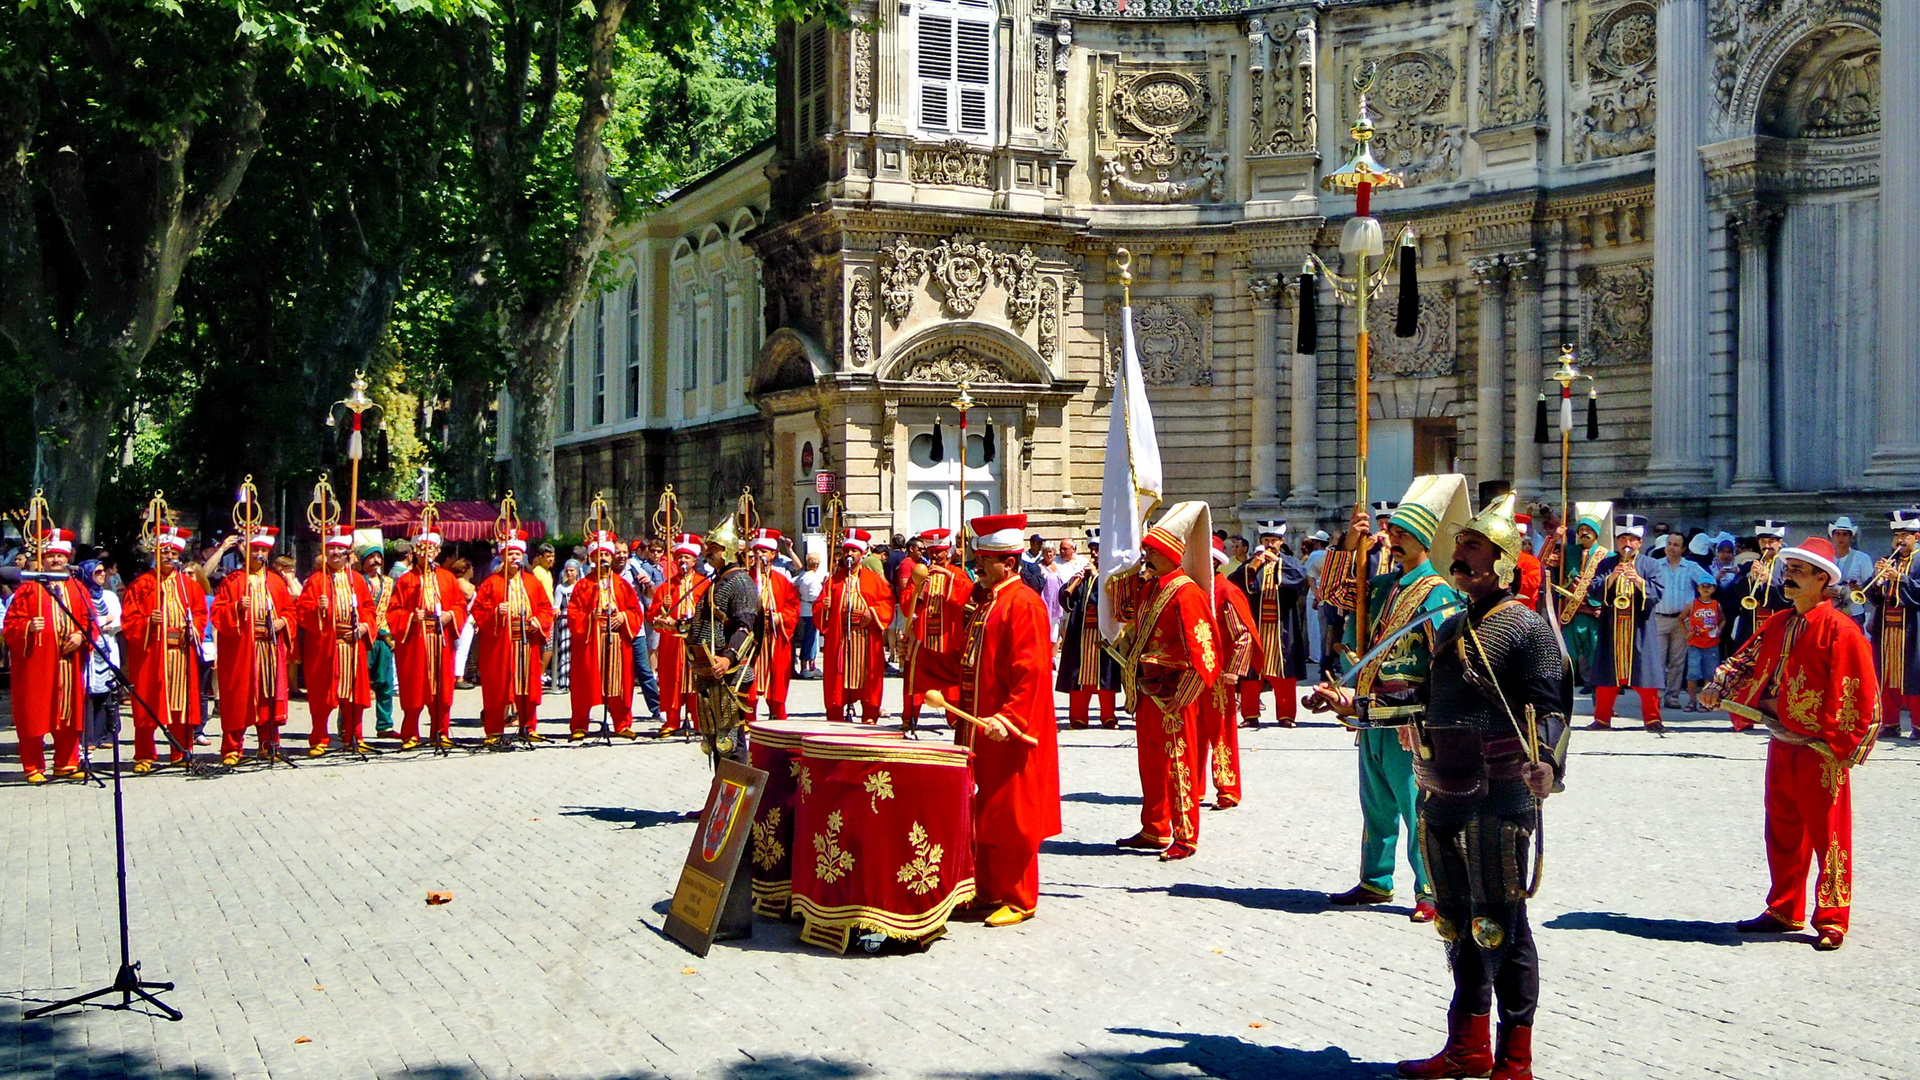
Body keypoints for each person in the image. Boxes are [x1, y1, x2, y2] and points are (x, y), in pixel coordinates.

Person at [1392, 494, 1571, 1080]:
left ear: (1503, 562)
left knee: (1503, 925)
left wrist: (1547, 764)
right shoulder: (1453, 624)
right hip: (1442, 788)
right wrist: (1360, 706)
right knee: (1455, 921)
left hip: (1500, 792)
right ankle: (1468, 1047)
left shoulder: (1525, 627)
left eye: (1473, 547)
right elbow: (1427, 699)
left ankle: (1513, 1060)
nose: (1460, 555)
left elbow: (1551, 707)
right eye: (1461, 545)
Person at [1701, 535, 1879, 951]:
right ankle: (1784, 907)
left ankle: (1832, 917)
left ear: (1823, 579)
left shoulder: (1842, 630)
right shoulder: (1778, 622)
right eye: (1787, 571)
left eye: (1798, 572)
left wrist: (1838, 744)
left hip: (1819, 750)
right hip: (1780, 742)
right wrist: (1717, 684)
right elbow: (1742, 660)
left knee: (1828, 835)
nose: (1788, 578)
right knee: (1782, 830)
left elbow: (1859, 693)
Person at [1309, 476, 1468, 921]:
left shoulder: (1439, 593)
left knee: (1415, 806)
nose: (1393, 542)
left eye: (1403, 536)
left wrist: (1433, 719)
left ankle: (1432, 890)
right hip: (1368, 712)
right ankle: (1375, 880)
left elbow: (1447, 663)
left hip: (1408, 717)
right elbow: (1334, 594)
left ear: (1422, 540)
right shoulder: (1381, 586)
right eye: (1391, 534)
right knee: (1376, 803)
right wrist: (1349, 543)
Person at [915, 512, 1061, 927]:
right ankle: (984, 889)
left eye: (984, 560)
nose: (976, 566)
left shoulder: (1024, 605)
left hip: (1009, 732)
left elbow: (1030, 672)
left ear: (1009, 564)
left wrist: (1009, 718)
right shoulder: (988, 603)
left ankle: (1019, 897)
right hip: (978, 728)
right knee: (983, 811)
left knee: (1013, 814)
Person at [1112, 501, 1219, 861]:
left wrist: (1185, 695)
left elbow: (1205, 649)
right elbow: (1124, 617)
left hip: (1173, 694)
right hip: (1147, 691)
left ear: (1171, 554)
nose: (1146, 558)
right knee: (1151, 766)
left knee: (1178, 765)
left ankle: (1185, 835)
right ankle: (1154, 827)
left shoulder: (1186, 592)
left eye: (1151, 552)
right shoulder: (1150, 588)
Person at [4, 528, 97, 782]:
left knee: (68, 714)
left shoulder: (77, 588)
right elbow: (10, 626)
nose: (57, 560)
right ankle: (33, 766)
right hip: (37, 663)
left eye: (61, 556)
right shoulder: (28, 590)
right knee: (34, 714)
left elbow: (90, 621)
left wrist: (80, 636)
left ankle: (66, 763)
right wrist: (27, 628)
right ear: (42, 558)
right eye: (51, 555)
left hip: (68, 663)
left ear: (68, 558)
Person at [121, 525, 207, 772]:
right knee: (148, 702)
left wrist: (195, 629)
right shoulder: (141, 585)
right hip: (152, 653)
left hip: (181, 653)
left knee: (182, 702)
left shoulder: (188, 585)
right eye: (164, 552)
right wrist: (149, 622)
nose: (169, 557)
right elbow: (129, 619)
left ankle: (180, 751)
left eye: (173, 552)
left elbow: (201, 613)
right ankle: (145, 754)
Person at [212, 526, 297, 765]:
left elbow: (290, 612)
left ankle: (269, 745)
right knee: (239, 698)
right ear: (246, 551)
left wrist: (282, 622)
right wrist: (236, 607)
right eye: (255, 549)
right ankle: (231, 748)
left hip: (270, 649)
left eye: (263, 550)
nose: (259, 553)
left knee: (268, 696)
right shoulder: (232, 581)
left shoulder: (276, 581)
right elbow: (217, 613)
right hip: (242, 650)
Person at [297, 526, 376, 756]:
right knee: (323, 695)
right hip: (326, 646)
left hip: (353, 646)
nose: (335, 553)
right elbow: (301, 611)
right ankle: (319, 738)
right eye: (331, 548)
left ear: (348, 553)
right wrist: (316, 608)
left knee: (355, 694)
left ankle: (354, 736)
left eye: (340, 549)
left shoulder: (358, 580)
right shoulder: (315, 580)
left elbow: (368, 609)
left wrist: (363, 627)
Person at [471, 530, 555, 743]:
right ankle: (494, 730)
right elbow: (478, 610)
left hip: (526, 643)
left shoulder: (532, 581)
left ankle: (528, 726)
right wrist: (495, 612)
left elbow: (546, 608)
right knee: (498, 687)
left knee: (528, 687)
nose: (514, 558)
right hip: (501, 644)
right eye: (509, 554)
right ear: (502, 556)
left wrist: (538, 621)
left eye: (517, 554)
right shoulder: (491, 583)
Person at [684, 528, 760, 763]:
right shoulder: (718, 581)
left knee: (730, 740)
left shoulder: (740, 582)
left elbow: (745, 627)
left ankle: (739, 795)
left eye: (714, 549)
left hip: (730, 672)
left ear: (727, 552)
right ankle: (724, 794)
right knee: (716, 739)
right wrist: (675, 626)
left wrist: (728, 657)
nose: (708, 553)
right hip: (710, 670)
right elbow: (707, 623)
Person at [388, 529, 469, 749]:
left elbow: (460, 606)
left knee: (441, 689)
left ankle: (440, 731)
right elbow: (393, 611)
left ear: (437, 551)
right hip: (415, 642)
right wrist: (411, 617)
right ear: (415, 552)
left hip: (441, 642)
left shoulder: (447, 578)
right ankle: (410, 733)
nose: (427, 554)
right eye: (422, 550)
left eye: (431, 549)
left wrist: (449, 615)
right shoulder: (406, 580)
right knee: (414, 687)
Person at [1587, 515, 1666, 733]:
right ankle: (1601, 719)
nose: (1627, 544)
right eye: (1623, 539)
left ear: (1640, 542)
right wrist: (1612, 578)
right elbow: (1593, 588)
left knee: (1645, 673)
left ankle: (1653, 720)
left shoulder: (1650, 564)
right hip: (1612, 626)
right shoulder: (1607, 563)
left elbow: (1657, 592)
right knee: (1607, 674)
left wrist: (1639, 581)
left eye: (1632, 539)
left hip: (1640, 626)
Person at [1230, 520, 1308, 729]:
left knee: (1284, 673)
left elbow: (1300, 579)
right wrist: (1251, 569)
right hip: (1256, 627)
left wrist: (1277, 563)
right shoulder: (1252, 563)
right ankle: (1250, 714)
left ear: (1282, 541)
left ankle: (1286, 716)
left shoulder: (1290, 562)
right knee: (1251, 673)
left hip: (1282, 628)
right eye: (1266, 540)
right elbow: (1234, 584)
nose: (1270, 544)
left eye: (1274, 540)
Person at [567, 531, 642, 739]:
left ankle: (622, 723)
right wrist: (590, 618)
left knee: (619, 683)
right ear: (591, 558)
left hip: (616, 641)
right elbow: (573, 614)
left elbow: (635, 610)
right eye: (598, 555)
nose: (603, 559)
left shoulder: (622, 585)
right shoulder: (582, 586)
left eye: (607, 555)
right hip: (591, 641)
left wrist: (623, 617)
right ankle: (580, 724)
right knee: (585, 684)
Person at [1203, 538, 1256, 810]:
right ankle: (1194, 787)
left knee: (1221, 734)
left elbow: (1242, 635)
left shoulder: (1226, 591)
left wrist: (1234, 671)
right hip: (1192, 676)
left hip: (1219, 676)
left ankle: (1227, 788)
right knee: (1193, 734)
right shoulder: (1192, 588)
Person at [821, 528, 895, 723]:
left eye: (854, 551)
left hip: (865, 639)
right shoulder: (833, 581)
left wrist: (873, 612)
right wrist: (825, 607)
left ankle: (869, 716)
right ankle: (837, 717)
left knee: (867, 679)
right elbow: (819, 609)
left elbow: (887, 603)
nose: (849, 555)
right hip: (841, 639)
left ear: (862, 554)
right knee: (838, 679)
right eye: (846, 551)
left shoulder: (874, 580)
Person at [900, 528, 971, 730]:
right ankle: (910, 717)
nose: (935, 556)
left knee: (953, 679)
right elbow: (906, 605)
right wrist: (919, 590)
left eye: (939, 551)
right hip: (923, 637)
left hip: (950, 638)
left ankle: (955, 717)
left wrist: (947, 575)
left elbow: (966, 594)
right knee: (916, 676)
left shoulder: (958, 573)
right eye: (932, 552)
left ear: (947, 551)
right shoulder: (919, 574)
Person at [1055, 529, 1122, 728]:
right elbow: (1068, 599)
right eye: (1091, 550)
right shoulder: (1083, 574)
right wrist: (1071, 586)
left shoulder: (1112, 576)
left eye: (1097, 550)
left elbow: (1107, 601)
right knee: (1079, 675)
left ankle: (1108, 716)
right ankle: (1078, 717)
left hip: (1104, 633)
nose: (1093, 554)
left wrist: (1095, 580)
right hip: (1082, 634)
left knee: (1105, 676)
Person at [1865, 509, 1920, 739]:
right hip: (1887, 627)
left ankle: (1918, 725)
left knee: (1913, 676)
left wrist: (1900, 579)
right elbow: (1875, 598)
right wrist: (1877, 582)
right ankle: (1889, 722)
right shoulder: (1890, 560)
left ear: (1916, 537)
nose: (1899, 540)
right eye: (1897, 535)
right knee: (1886, 674)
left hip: (1913, 627)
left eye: (1905, 535)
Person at [1648, 529, 1716, 707]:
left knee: (1677, 662)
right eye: (1669, 544)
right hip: (1659, 617)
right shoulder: (1655, 565)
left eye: (1676, 545)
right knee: (1657, 660)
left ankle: (1672, 697)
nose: (1671, 548)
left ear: (1684, 549)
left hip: (1682, 620)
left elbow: (1708, 580)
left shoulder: (1691, 566)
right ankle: (1655, 697)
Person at [651, 533, 710, 736]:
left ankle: (698, 720)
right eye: (680, 557)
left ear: (694, 560)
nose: (682, 560)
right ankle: (672, 720)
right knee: (671, 681)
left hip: (696, 641)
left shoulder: (704, 584)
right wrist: (662, 606)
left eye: (687, 557)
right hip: (672, 643)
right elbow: (653, 615)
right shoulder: (666, 587)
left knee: (697, 680)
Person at [747, 529, 800, 722]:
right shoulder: (745, 580)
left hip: (775, 638)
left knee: (777, 677)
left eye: (765, 551)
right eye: (757, 551)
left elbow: (794, 608)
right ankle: (748, 717)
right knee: (749, 677)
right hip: (752, 641)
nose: (760, 555)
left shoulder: (783, 582)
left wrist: (780, 618)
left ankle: (777, 714)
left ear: (773, 555)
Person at [76, 558, 123, 752]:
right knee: (88, 694)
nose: (102, 574)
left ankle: (108, 734)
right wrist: (103, 620)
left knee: (108, 694)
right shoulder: (79, 595)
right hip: (88, 650)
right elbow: (85, 622)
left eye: (103, 571)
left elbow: (118, 619)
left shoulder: (110, 596)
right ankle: (89, 738)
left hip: (107, 647)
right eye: (97, 572)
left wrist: (103, 623)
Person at [622, 538, 665, 722]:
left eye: (624, 552)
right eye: (618, 552)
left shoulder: (635, 568)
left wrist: (648, 585)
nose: (621, 556)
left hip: (636, 625)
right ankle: (618, 712)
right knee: (619, 672)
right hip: (614, 627)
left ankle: (656, 708)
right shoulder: (604, 572)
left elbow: (652, 594)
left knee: (644, 669)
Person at [358, 547, 399, 739]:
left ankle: (385, 725)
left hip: (383, 637)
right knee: (356, 683)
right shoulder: (356, 581)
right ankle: (348, 727)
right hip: (363, 637)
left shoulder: (390, 583)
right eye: (371, 557)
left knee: (385, 683)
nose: (375, 561)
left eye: (378, 557)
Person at [1730, 519, 1792, 644]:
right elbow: (1735, 593)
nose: (1766, 546)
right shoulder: (1748, 566)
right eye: (1763, 541)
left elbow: (1789, 596)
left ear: (1780, 542)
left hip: (1778, 625)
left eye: (1771, 542)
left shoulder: (1788, 566)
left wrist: (1769, 579)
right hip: (1751, 627)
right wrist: (1751, 579)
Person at [1681, 579, 1725, 711]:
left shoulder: (1716, 605)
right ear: (1698, 588)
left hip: (1711, 644)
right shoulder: (1693, 604)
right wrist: (1686, 633)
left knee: (1709, 674)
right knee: (1693, 673)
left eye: (1709, 586)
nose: (1706, 589)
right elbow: (1680, 618)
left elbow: (1722, 619)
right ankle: (1692, 701)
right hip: (1695, 644)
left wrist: (1719, 630)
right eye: (1702, 586)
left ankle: (1705, 703)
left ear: (1714, 588)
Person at [1826, 517, 1874, 627]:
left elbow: (1871, 586)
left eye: (1844, 534)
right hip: (1829, 610)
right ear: (1832, 536)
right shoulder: (1826, 557)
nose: (1840, 538)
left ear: (1851, 537)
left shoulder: (1862, 558)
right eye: (1837, 534)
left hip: (1854, 612)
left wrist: (1860, 589)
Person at [795, 551, 825, 678]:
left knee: (813, 638)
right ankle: (805, 666)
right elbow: (815, 596)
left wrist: (799, 594)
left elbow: (793, 583)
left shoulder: (802, 576)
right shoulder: (814, 578)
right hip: (811, 609)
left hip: (803, 608)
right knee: (810, 638)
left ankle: (812, 665)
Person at [552, 558, 581, 691]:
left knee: (578, 652)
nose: (569, 573)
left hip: (579, 620)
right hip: (565, 620)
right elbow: (556, 605)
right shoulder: (561, 588)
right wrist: (556, 609)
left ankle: (577, 680)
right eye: (567, 570)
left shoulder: (581, 586)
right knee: (564, 650)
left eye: (572, 570)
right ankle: (563, 680)